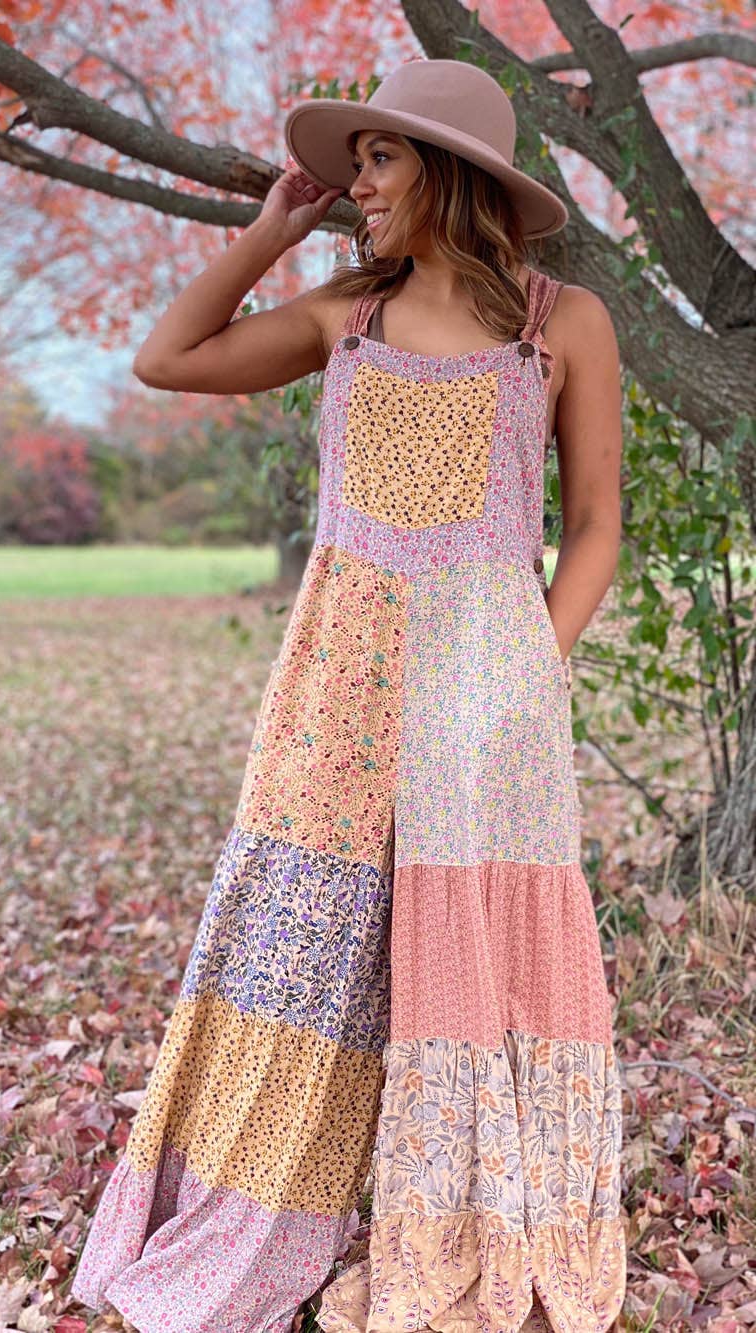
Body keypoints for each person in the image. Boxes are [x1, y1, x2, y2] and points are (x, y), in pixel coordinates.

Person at [71, 56, 626, 1333]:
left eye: (379, 158)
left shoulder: (564, 324)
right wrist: (271, 234)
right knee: (300, 944)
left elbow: (596, 523)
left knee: (475, 956)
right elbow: (168, 358)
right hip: (338, 681)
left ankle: (463, 1227)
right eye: (357, 160)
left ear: (451, 172)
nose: (356, 183)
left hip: (488, 687)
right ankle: (254, 1214)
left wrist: (524, 669)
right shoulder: (344, 316)